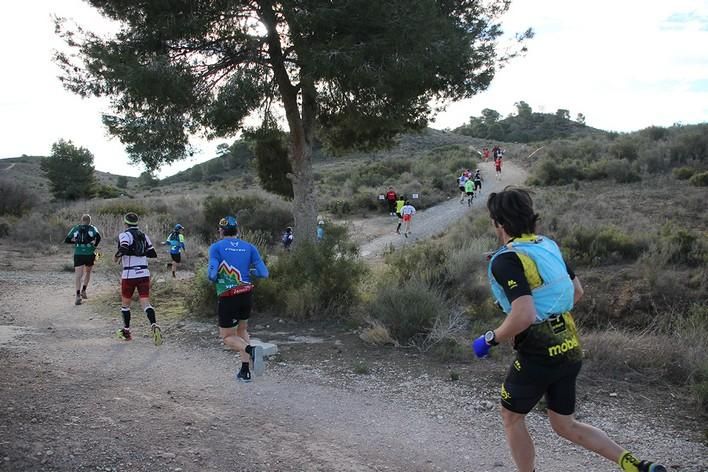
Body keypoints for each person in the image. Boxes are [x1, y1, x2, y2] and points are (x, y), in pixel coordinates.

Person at [471, 188, 666, 472]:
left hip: (539, 354)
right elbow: (577, 291)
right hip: (569, 347)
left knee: (511, 417)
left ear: (498, 223)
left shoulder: (506, 259)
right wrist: (550, 313)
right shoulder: (547, 246)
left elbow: (523, 315)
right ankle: (635, 464)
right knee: (565, 424)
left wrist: (490, 339)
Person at [208, 216, 269, 382]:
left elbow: (211, 275)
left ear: (221, 231)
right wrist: (250, 273)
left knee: (227, 337)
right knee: (242, 331)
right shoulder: (249, 247)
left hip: (228, 296)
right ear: (237, 231)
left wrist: (217, 276)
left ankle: (252, 350)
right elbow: (264, 273)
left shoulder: (216, 247)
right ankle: (245, 371)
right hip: (246, 293)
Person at [114, 212, 162, 346]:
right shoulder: (144, 236)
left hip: (129, 274)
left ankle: (127, 332)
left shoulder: (125, 235)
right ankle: (154, 325)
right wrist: (140, 251)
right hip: (144, 273)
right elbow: (153, 253)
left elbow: (123, 247)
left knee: (125, 305)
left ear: (125, 223)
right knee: (146, 303)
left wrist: (117, 256)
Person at [65, 214, 102, 305]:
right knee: (88, 272)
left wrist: (75, 242)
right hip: (89, 253)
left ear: (82, 220)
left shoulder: (76, 228)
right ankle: (84, 290)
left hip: (78, 254)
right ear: (90, 221)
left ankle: (77, 295)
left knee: (78, 275)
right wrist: (94, 246)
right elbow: (99, 237)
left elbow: (67, 240)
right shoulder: (93, 228)